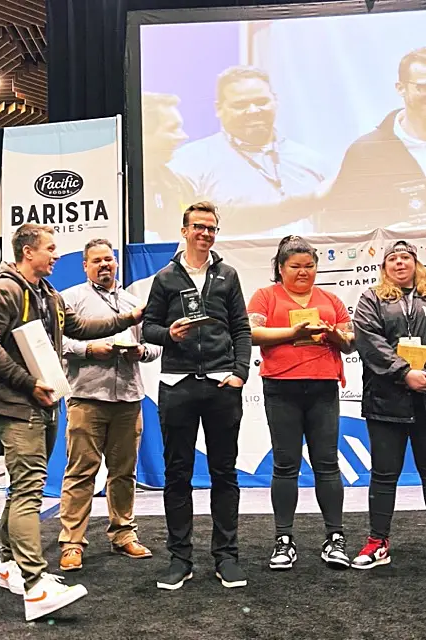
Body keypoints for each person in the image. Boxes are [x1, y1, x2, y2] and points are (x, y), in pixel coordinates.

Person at [0, 224, 143, 622]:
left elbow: (79, 329)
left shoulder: (46, 294)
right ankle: (35, 585)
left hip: (42, 403)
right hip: (17, 404)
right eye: (50, 249)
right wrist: (28, 383)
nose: (55, 255)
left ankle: (8, 564)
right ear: (27, 252)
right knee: (29, 490)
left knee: (20, 490)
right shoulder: (4, 290)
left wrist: (130, 317)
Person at [142, 201, 252, 590]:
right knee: (177, 475)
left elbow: (241, 329)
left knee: (225, 473)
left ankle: (226, 557)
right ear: (185, 230)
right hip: (177, 386)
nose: (205, 233)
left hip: (223, 385)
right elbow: (147, 329)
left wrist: (240, 373)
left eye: (212, 228)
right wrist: (168, 333)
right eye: (199, 227)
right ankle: (180, 558)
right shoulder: (166, 278)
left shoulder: (228, 276)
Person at [247, 235, 354, 571]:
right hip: (281, 388)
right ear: (280, 268)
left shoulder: (331, 299)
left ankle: (335, 538)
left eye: (309, 266)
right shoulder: (266, 296)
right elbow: (251, 333)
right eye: (295, 266)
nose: (304, 271)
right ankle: (283, 539)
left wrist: (332, 335)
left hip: (323, 387)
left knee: (327, 463)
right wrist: (292, 334)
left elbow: (350, 341)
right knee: (285, 464)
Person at [58, 238, 161, 570]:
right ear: (85, 266)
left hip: (129, 397)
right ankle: (72, 543)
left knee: (123, 473)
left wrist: (140, 352)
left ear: (116, 263)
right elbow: (57, 342)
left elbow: (154, 345)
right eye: (97, 260)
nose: (105, 265)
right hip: (87, 398)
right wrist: (90, 350)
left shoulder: (134, 302)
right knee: (80, 472)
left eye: (109, 259)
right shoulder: (70, 299)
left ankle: (123, 534)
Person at [169, 66, 328, 238]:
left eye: (261, 102)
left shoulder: (311, 160)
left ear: (275, 101)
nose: (253, 111)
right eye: (240, 105)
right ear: (219, 109)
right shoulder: (190, 161)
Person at [352, 240, 426, 569]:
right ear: (384, 268)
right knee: (383, 475)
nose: (399, 263)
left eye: (405, 257)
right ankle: (377, 542)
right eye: (392, 259)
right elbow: (369, 341)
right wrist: (405, 373)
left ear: (416, 263)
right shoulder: (371, 299)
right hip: (385, 403)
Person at [315, 47, 426, 233]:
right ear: (401, 88)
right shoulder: (367, 152)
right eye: (422, 87)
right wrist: (383, 236)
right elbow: (338, 223)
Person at [142, 92, 196, 242]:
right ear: (143, 132)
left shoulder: (178, 184)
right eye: (173, 129)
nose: (183, 136)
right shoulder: (115, 185)